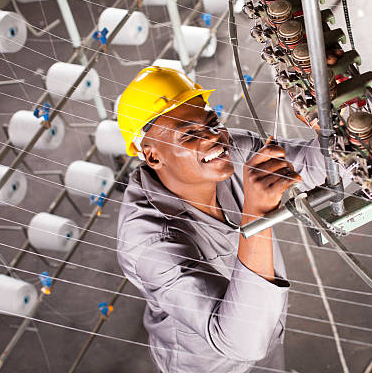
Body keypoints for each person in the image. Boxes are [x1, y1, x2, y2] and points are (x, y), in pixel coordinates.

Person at [116, 67, 326, 372]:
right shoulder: (147, 242)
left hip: (268, 333)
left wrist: (326, 117)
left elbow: (314, 165)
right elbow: (240, 342)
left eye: (212, 122)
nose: (213, 138)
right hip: (211, 365)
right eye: (189, 135)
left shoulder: (231, 153)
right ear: (153, 156)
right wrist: (256, 215)